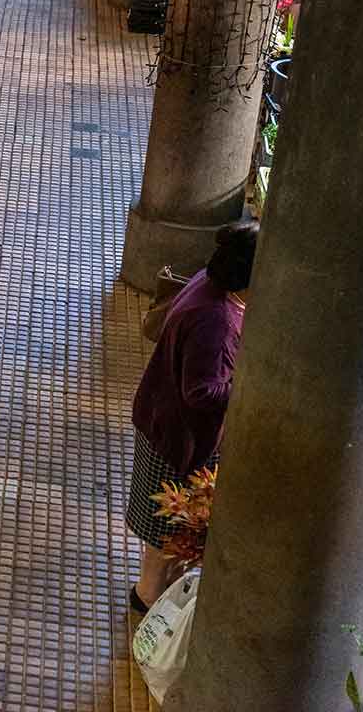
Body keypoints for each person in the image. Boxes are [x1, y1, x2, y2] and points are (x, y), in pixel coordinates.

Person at [126, 222, 260, 611]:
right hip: (177, 433)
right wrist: (252, 387)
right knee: (167, 525)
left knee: (164, 523)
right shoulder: (215, 321)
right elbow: (201, 392)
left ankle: (149, 591)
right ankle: (148, 597)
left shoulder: (209, 283)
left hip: (162, 419)